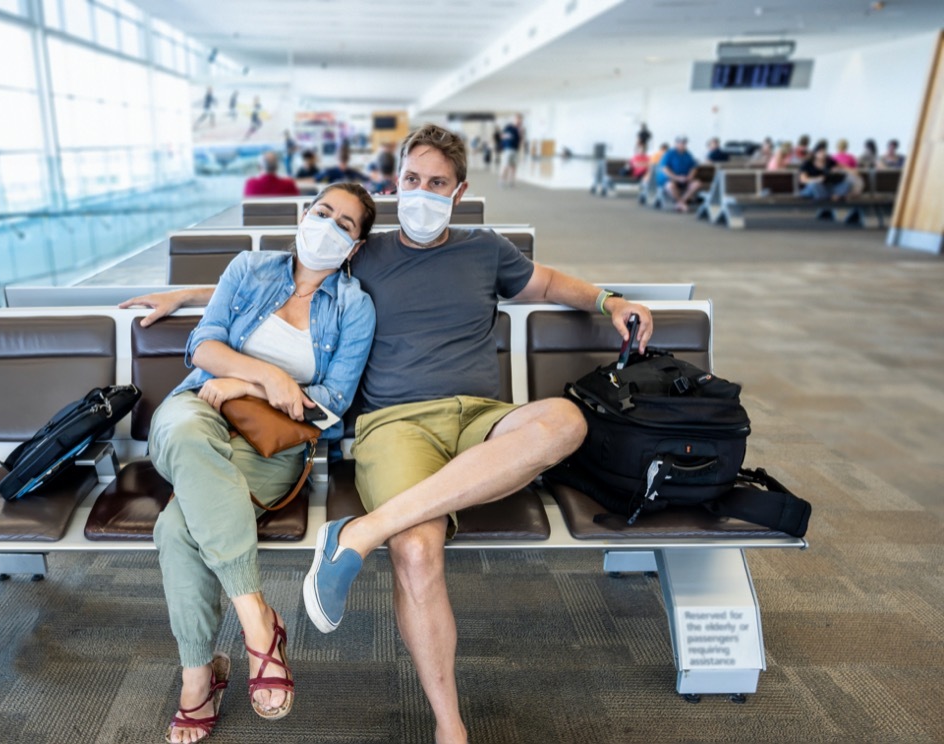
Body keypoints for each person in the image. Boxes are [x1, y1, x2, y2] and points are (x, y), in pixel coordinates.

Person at [126, 124, 654, 744]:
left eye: (437, 184)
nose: (422, 193)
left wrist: (608, 300)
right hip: (395, 424)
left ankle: (361, 534)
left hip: (482, 415)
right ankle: (449, 726)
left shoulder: (484, 249)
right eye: (411, 180)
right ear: (394, 182)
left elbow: (546, 284)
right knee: (417, 550)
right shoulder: (363, 250)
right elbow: (288, 277)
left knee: (566, 420)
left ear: (459, 192)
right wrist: (188, 293)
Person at [124, 183, 377, 744]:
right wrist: (269, 377)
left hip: (273, 442)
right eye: (322, 213)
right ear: (301, 215)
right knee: (189, 434)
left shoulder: (354, 307)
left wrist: (245, 384)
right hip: (197, 410)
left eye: (346, 225)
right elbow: (203, 347)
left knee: (176, 528)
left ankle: (199, 677)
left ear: (355, 247)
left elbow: (333, 400)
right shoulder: (250, 268)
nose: (329, 227)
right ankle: (259, 625)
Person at [656, 136, 702, 212]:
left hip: (685, 178)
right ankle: (681, 202)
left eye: (684, 143)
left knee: (697, 184)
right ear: (676, 143)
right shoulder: (669, 154)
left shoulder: (688, 154)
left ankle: (681, 202)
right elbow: (664, 168)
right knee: (670, 186)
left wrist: (690, 176)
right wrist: (676, 178)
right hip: (670, 179)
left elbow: (694, 167)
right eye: (681, 143)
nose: (683, 145)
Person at [499, 114, 525, 187]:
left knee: (513, 166)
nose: (519, 121)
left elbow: (520, 140)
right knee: (506, 165)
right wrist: (508, 136)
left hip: (515, 150)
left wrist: (520, 133)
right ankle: (502, 181)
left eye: (520, 120)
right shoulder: (509, 127)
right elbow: (502, 136)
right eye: (518, 119)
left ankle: (511, 181)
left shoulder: (520, 129)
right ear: (515, 119)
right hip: (508, 149)